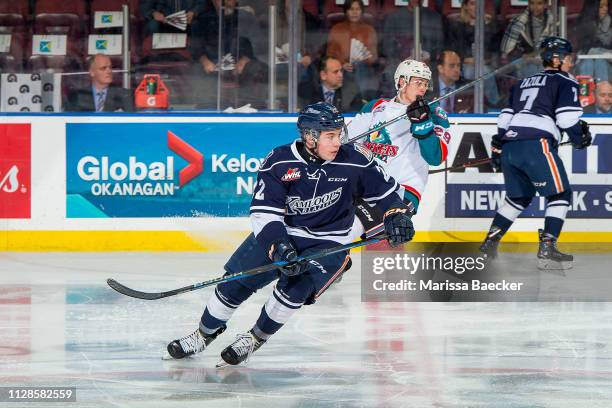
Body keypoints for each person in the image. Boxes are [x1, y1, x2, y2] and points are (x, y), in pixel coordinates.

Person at [165, 102, 415, 366]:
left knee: (295, 289)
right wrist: (277, 245)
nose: (337, 142)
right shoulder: (279, 161)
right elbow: (264, 213)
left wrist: (396, 215)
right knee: (234, 284)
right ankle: (204, 335)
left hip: (330, 241)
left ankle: (254, 338)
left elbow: (389, 196)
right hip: (283, 234)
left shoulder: (355, 160)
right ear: (309, 136)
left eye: (339, 134)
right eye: (330, 136)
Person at [479, 37, 592, 270]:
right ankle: (548, 245)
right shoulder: (565, 81)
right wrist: (579, 136)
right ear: (557, 59)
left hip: (511, 145)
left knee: (518, 198)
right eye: (568, 57)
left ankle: (490, 242)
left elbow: (505, 119)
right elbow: (566, 117)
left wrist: (499, 146)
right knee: (560, 195)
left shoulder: (522, 82)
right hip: (536, 144)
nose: (571, 62)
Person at [347, 59, 450, 214]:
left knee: (377, 229)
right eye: (418, 82)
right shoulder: (375, 107)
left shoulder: (434, 113)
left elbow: (436, 158)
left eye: (425, 83)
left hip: (403, 190)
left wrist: (423, 125)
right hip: (366, 185)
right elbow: (348, 143)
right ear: (402, 81)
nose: (423, 88)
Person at [190, 0, 268, 109]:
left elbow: (258, 43)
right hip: (212, 63)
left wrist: (244, 60)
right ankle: (209, 109)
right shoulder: (203, 19)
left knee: (255, 68)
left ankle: (248, 107)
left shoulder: (246, 17)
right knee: (197, 70)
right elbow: (195, 45)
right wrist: (205, 61)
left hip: (240, 64)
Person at [446, 0, 501, 108]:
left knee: (486, 71)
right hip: (463, 65)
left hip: (487, 64)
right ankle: (493, 104)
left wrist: (486, 60)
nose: (476, 7)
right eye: (472, 4)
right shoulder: (457, 26)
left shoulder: (491, 26)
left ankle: (489, 105)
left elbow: (495, 50)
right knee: (483, 72)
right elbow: (453, 51)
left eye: (477, 4)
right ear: (465, 6)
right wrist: (466, 60)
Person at [326, 0, 378, 96]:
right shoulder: (337, 29)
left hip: (363, 70)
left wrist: (363, 61)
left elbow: (373, 57)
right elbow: (330, 55)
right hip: (341, 69)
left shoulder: (369, 30)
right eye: (351, 9)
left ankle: (362, 100)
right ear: (346, 11)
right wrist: (342, 64)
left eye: (357, 9)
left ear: (362, 11)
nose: (354, 12)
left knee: (360, 68)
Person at [500, 0, 555, 79]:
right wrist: (525, 57)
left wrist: (535, 56)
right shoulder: (518, 22)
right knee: (534, 71)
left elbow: (555, 47)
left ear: (545, 5)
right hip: (523, 62)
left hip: (545, 60)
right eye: (532, 3)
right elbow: (506, 51)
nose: (535, 7)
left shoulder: (553, 21)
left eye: (539, 3)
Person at [63, 54, 134, 112]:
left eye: (110, 67)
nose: (109, 71)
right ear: (92, 72)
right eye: (103, 68)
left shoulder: (125, 95)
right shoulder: (77, 96)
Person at [298, 56, 364, 112]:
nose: (340, 75)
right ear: (323, 75)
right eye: (335, 72)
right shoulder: (309, 93)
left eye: (341, 71)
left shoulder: (351, 93)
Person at [573, 0, 612, 83]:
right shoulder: (583, 23)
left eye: (606, 5)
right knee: (588, 63)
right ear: (592, 8)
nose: (605, 9)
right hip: (585, 61)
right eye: (601, 6)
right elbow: (584, 50)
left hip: (608, 62)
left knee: (601, 62)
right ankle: (585, 94)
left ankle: (603, 94)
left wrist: (599, 53)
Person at [140, 0, 205, 36]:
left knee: (197, 24)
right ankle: (152, 56)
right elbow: (144, 6)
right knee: (153, 25)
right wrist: (153, 13)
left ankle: (197, 57)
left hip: (187, 20)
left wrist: (193, 12)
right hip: (163, 22)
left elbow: (202, 2)